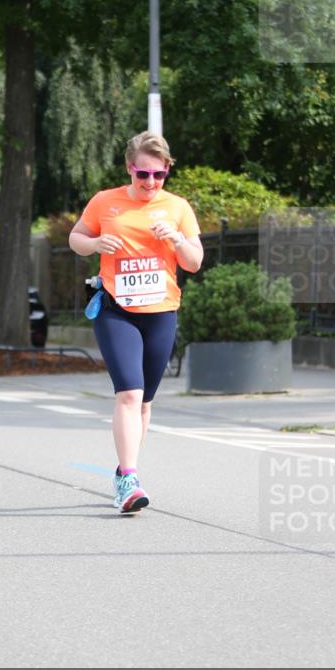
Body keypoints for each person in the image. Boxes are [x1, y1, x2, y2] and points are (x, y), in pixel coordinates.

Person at [69, 131, 204, 514]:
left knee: (144, 401)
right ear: (130, 168)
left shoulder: (177, 207)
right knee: (128, 394)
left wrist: (177, 239)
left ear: (166, 173)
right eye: (143, 174)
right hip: (117, 311)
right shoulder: (105, 202)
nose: (150, 183)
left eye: (158, 175)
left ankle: (122, 471)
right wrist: (95, 245)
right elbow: (76, 237)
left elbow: (194, 262)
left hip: (161, 312)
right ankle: (129, 478)